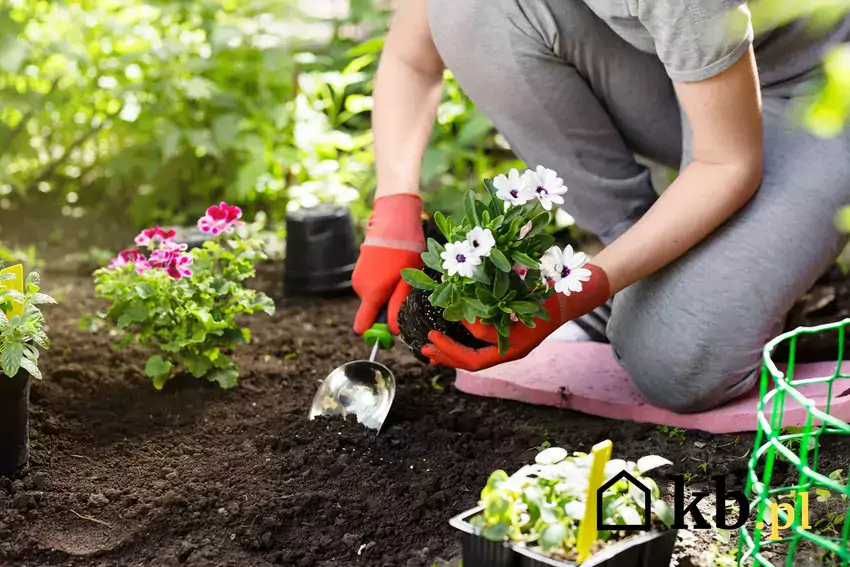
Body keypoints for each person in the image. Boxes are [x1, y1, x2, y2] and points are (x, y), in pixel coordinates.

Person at [350, 0, 850, 414]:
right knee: (468, 9)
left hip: (822, 88)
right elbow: (412, 56)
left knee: (675, 364)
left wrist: (567, 298)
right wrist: (393, 211)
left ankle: (694, 288)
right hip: (698, 79)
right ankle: (645, 273)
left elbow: (727, 163)